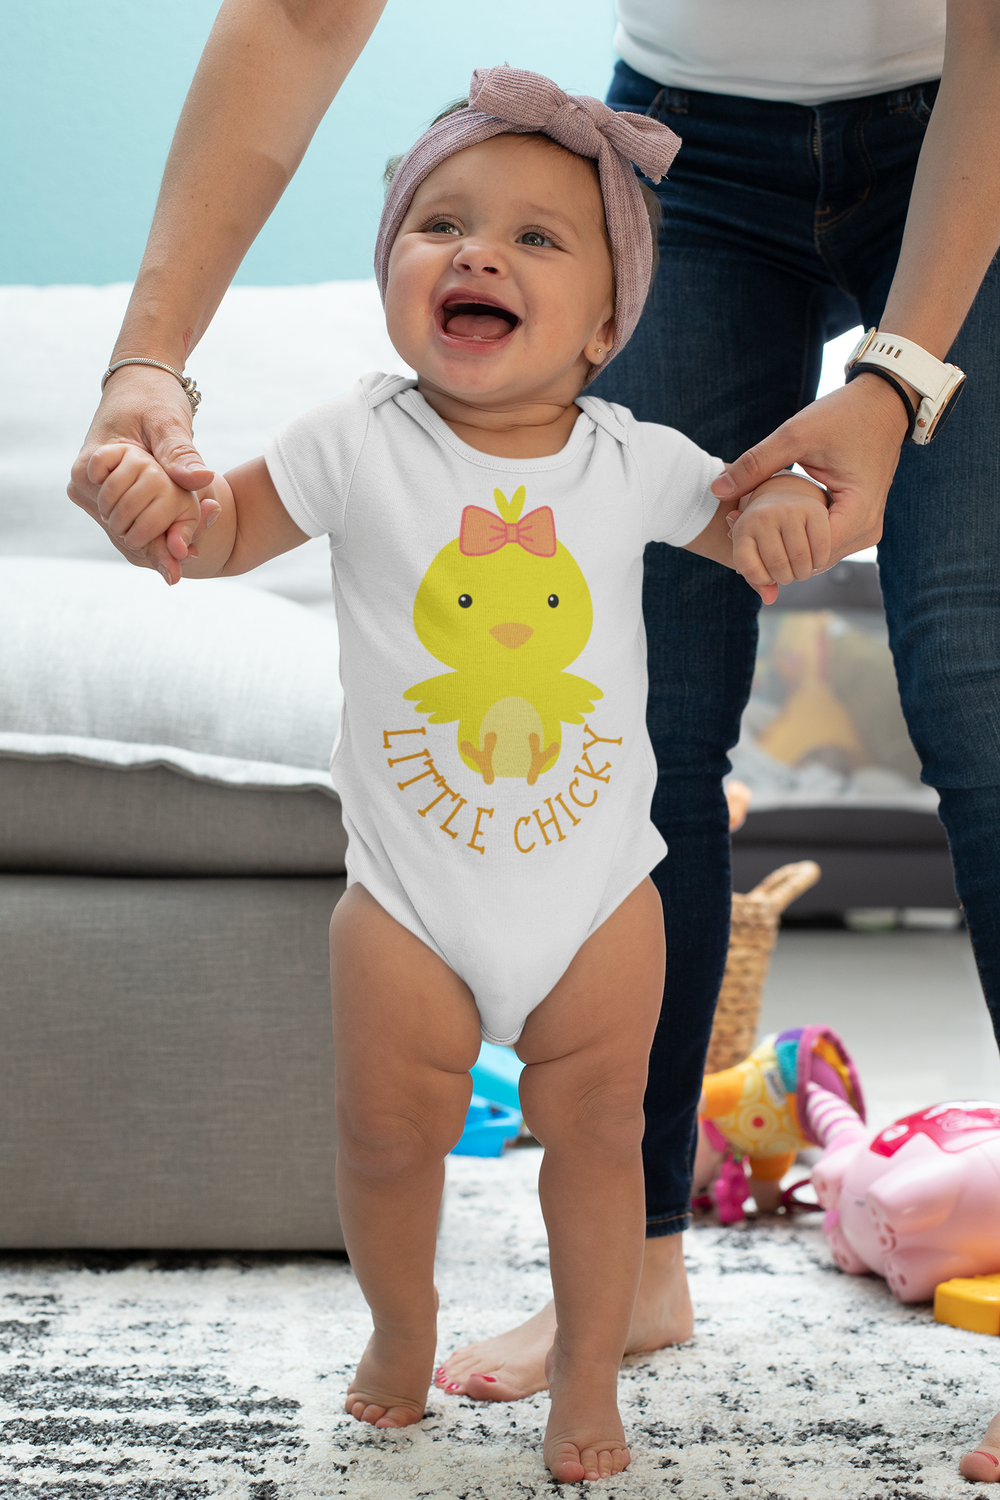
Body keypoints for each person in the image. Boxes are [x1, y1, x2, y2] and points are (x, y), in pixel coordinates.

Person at [69, 0, 1000, 1482]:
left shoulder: (628, 459)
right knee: (654, 729)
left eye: (526, 242)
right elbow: (302, 16)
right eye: (437, 223)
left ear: (604, 322)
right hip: (686, 145)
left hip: (971, 115)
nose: (478, 254)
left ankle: (597, 1341)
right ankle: (576, 1294)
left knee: (979, 672)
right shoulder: (354, 436)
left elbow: (746, 510)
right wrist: (150, 402)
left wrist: (863, 424)